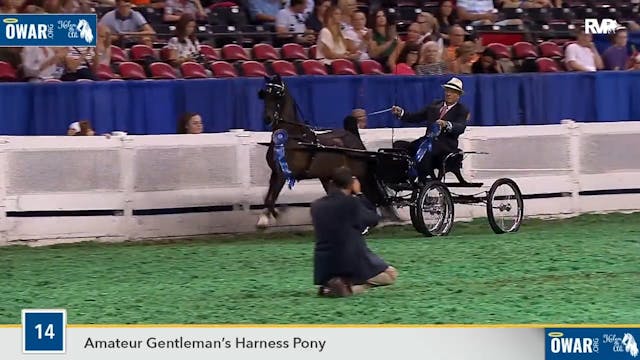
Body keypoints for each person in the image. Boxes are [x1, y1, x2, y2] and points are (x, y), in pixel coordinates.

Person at [311, 167, 398, 297]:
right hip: (350, 261)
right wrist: (359, 194)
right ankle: (349, 288)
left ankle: (330, 286)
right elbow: (373, 219)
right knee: (391, 275)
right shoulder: (351, 203)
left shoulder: (316, 205)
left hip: (323, 266)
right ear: (351, 185)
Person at [391, 77, 470, 181]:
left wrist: (447, 124)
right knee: (399, 146)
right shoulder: (434, 105)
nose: (448, 94)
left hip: (445, 146)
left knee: (429, 148)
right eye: (447, 90)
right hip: (426, 142)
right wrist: (401, 113)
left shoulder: (462, 110)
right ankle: (401, 175)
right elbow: (416, 117)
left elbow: (460, 127)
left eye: (452, 92)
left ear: (458, 95)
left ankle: (422, 176)